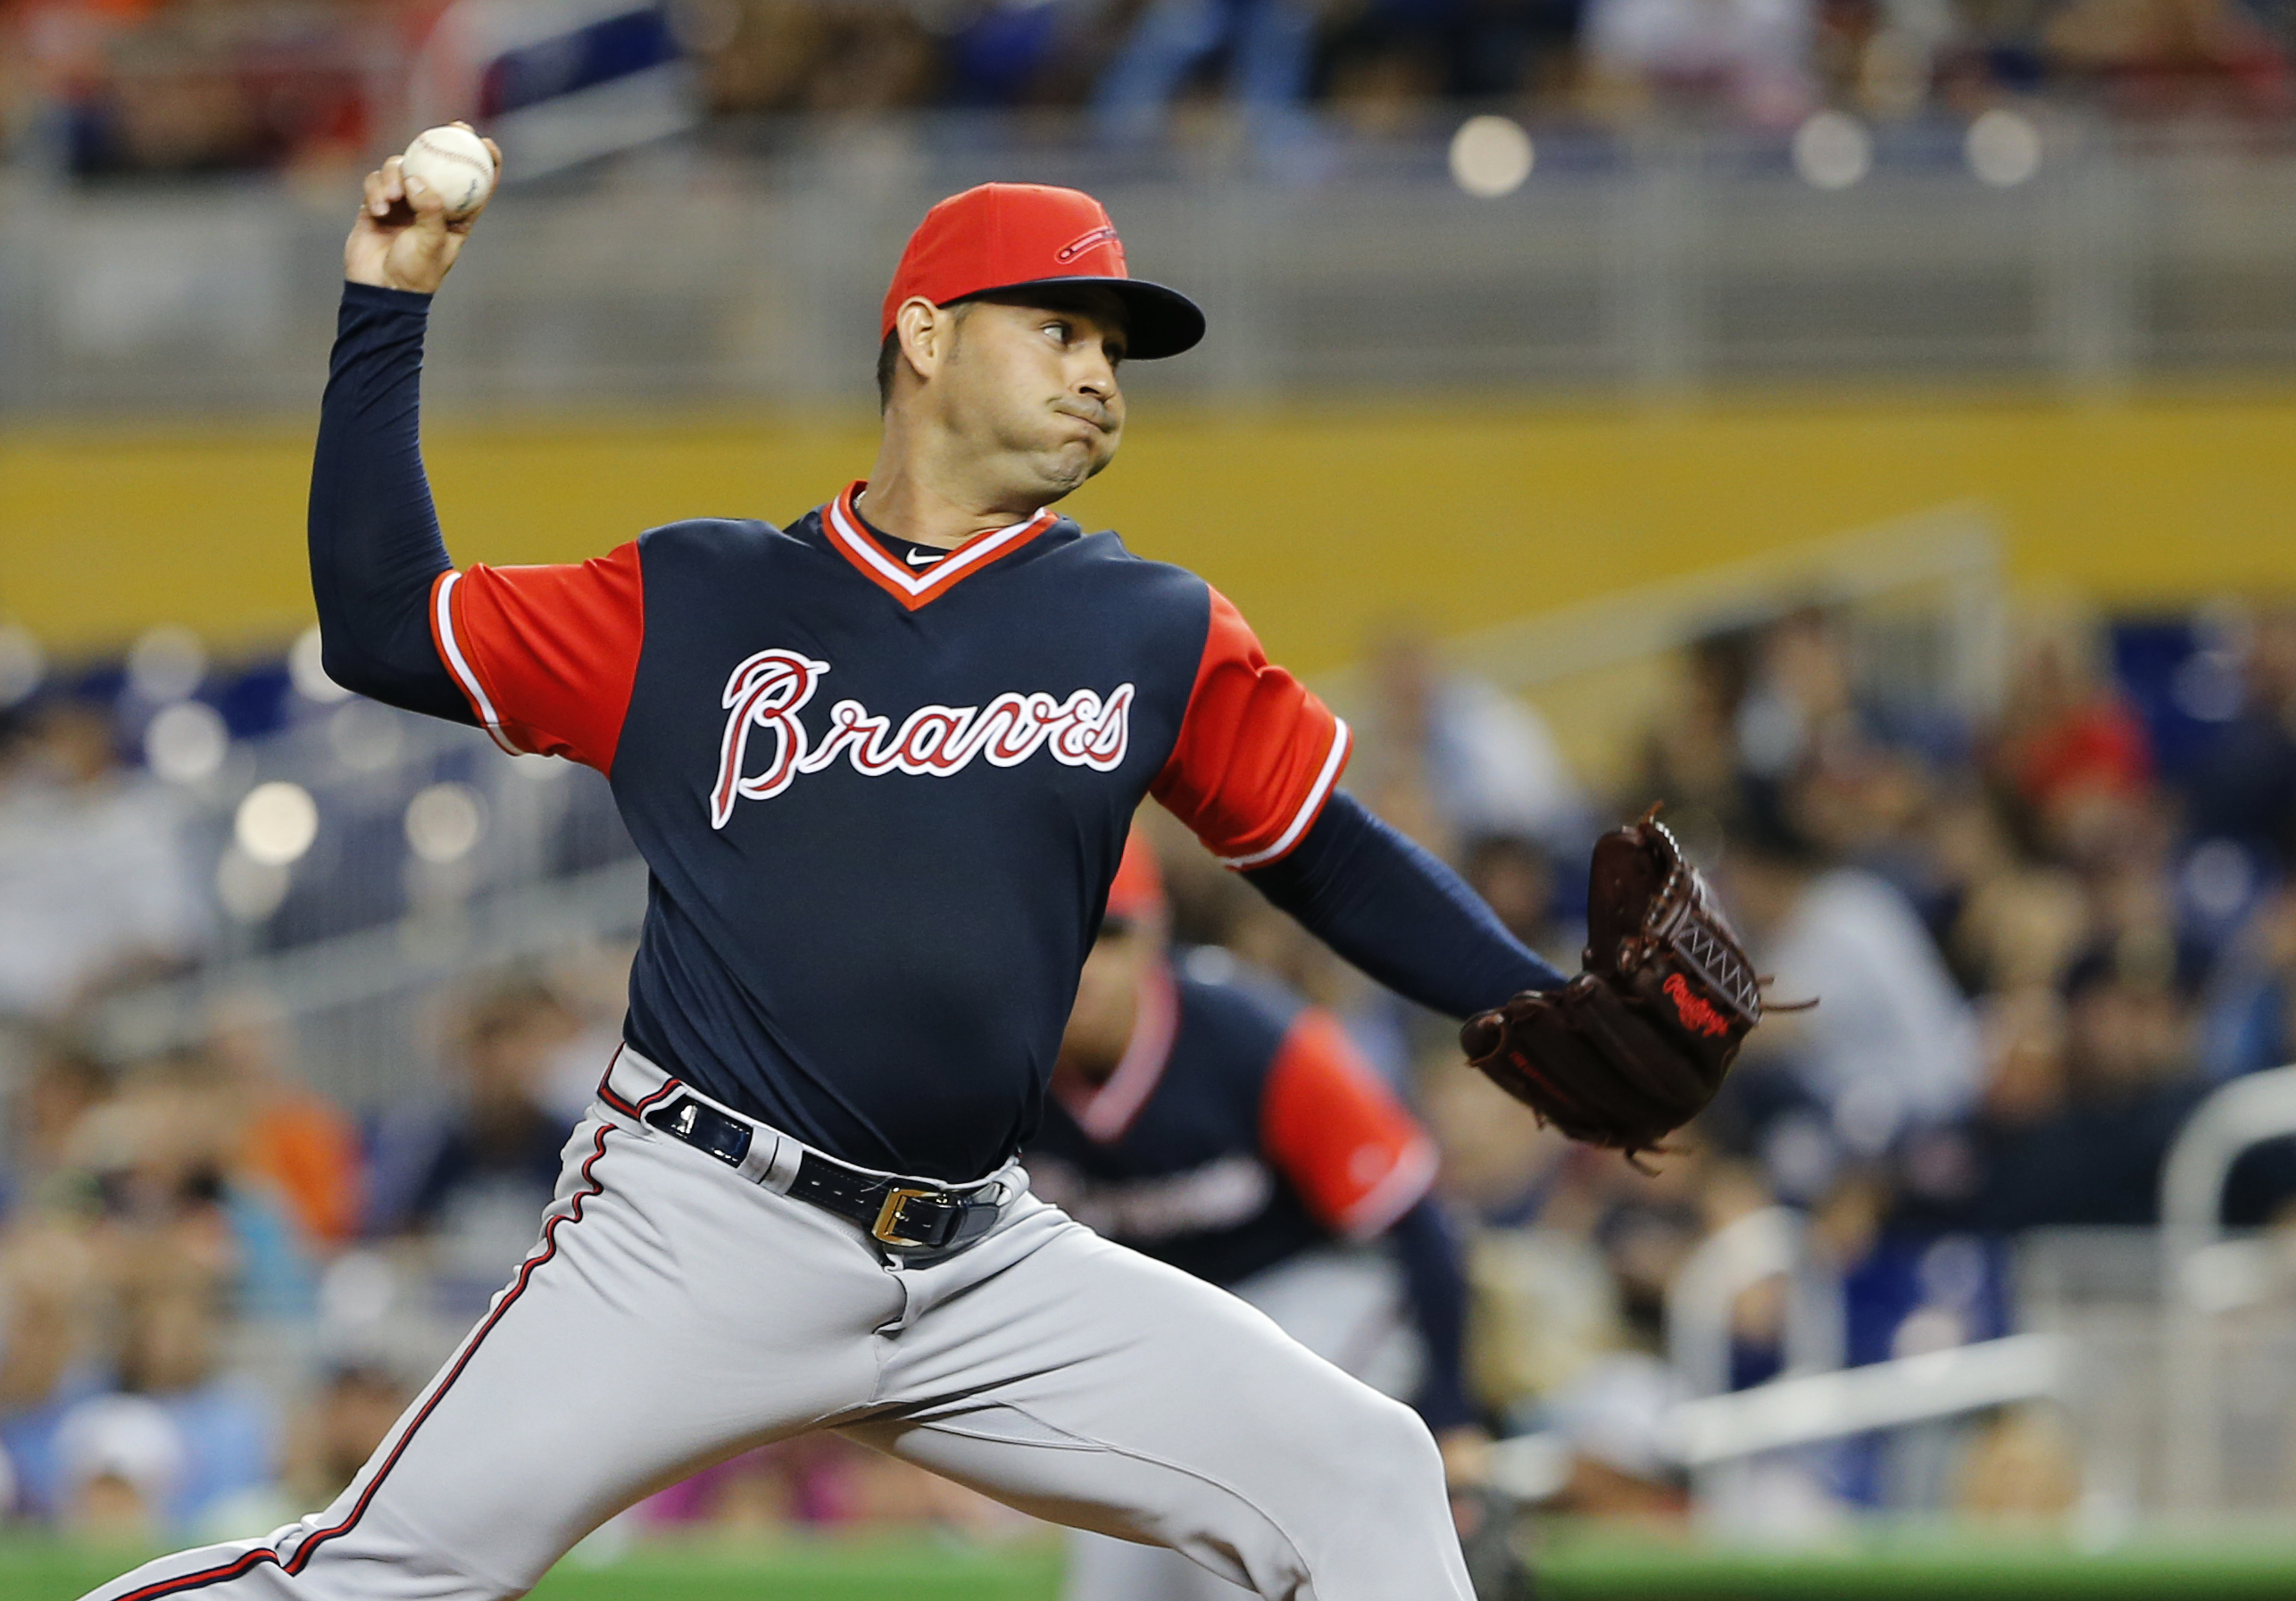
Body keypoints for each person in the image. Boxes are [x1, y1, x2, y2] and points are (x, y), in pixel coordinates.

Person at [87, 146, 1573, 1601]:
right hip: (701, 1223)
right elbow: (382, 624)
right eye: (1057, 326)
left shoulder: (1148, 627)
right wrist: (386, 306)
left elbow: (1322, 847)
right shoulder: (699, 595)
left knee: (1363, 1469)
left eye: (1114, 346)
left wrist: (1529, 1002)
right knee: (377, 1572)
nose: (1100, 371)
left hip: (984, 1256)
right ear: (925, 334)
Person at [1029, 831, 1487, 1600]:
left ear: (1154, 938)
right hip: (1161, 1333)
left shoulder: (1256, 1037)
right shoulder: (1000, 1065)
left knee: (1242, 1523)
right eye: (1063, 938)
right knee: (1113, 1575)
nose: (1086, 968)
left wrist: (1452, 1410)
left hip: (1317, 1291)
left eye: (1107, 936)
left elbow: (1417, 1220)